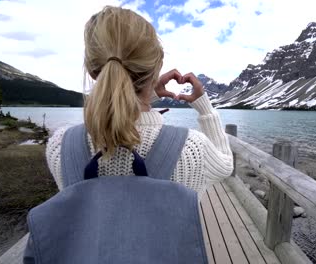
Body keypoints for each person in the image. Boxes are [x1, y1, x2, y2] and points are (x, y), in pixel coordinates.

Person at [46, 6, 233, 198]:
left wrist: (148, 93)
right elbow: (225, 165)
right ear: (155, 71)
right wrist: (205, 108)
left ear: (93, 70)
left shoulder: (60, 146)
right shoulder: (191, 149)